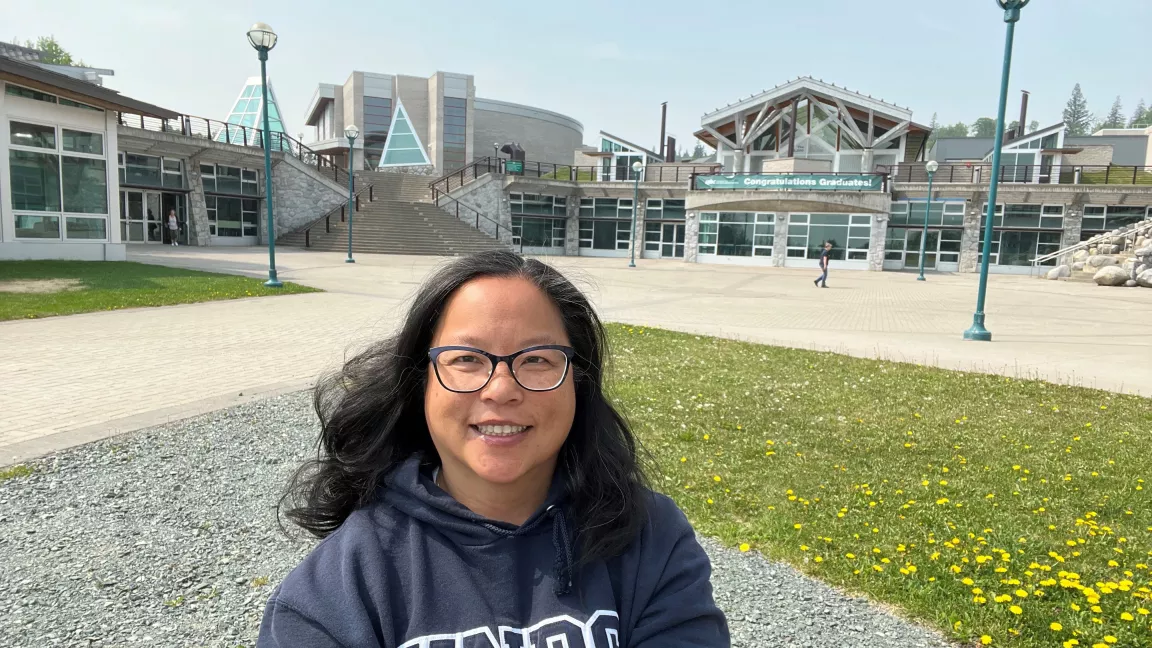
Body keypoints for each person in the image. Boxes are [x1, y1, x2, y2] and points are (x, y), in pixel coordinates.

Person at [258, 250, 729, 648]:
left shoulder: (651, 538)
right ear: (420, 382)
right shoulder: (339, 587)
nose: (500, 389)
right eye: (466, 358)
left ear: (577, 384)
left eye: (537, 359)